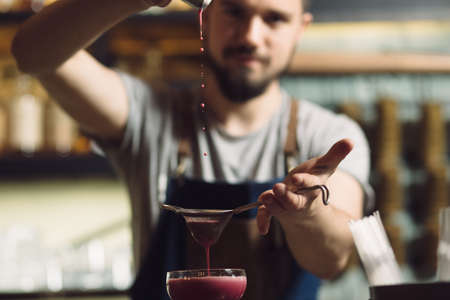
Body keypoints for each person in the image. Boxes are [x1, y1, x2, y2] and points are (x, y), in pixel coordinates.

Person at [11, 0, 372, 299]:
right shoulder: (147, 114)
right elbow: (32, 54)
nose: (250, 36)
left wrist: (306, 214)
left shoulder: (328, 134)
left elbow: (334, 259)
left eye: (274, 18)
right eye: (234, 11)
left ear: (300, 29)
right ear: (205, 16)